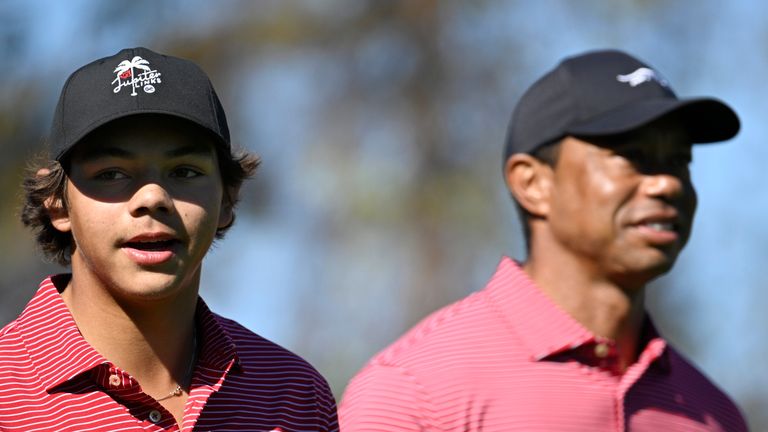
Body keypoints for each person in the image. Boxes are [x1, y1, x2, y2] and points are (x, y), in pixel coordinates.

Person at [339, 49, 748, 431]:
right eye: (633, 156)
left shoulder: (715, 412)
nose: (665, 184)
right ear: (532, 183)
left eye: (679, 161)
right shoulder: (415, 394)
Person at [0, 47, 338, 431]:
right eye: (111, 173)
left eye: (184, 171)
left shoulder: (293, 394)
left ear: (227, 199)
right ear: (58, 205)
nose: (153, 198)